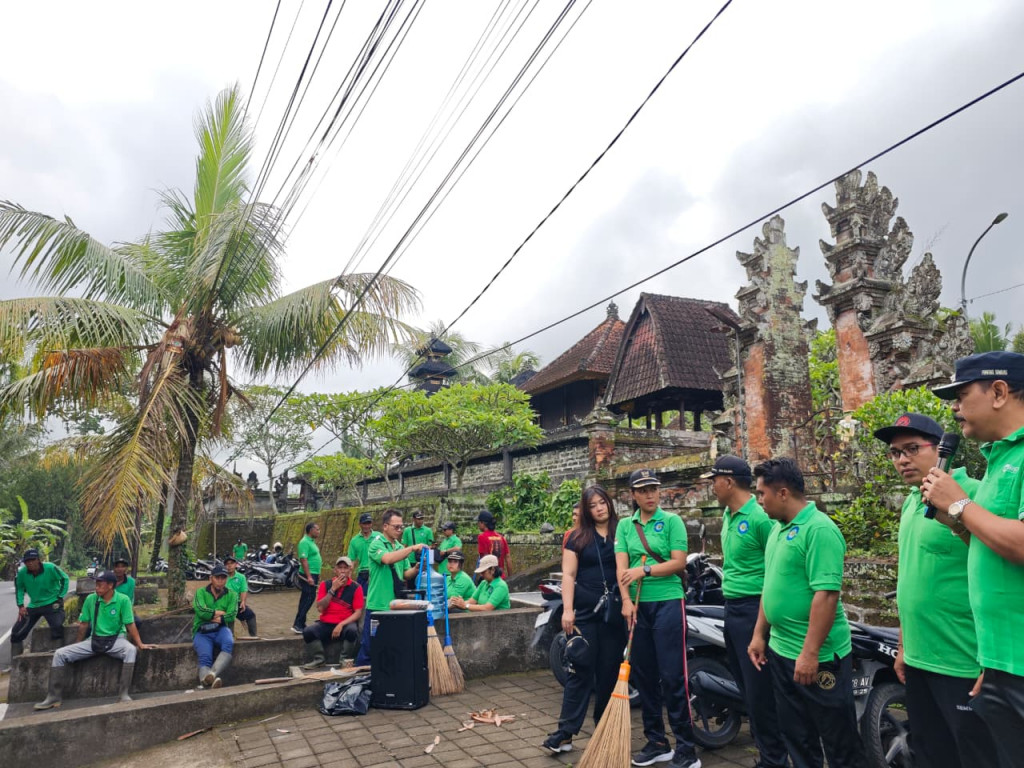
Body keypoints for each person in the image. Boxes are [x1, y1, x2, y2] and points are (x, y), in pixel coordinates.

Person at [873, 412, 999, 768]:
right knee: (929, 752)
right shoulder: (912, 502)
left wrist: (992, 663)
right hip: (918, 659)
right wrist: (903, 646)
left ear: (942, 449)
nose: (901, 460)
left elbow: (1000, 577)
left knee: (974, 755)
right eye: (895, 452)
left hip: (963, 659)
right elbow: (909, 580)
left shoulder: (974, 494)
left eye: (911, 449)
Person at [924, 351, 1024, 767]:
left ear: (998, 392)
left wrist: (961, 504)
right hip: (1002, 661)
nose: (954, 408)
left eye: (961, 395)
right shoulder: (999, 459)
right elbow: (999, 553)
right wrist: (961, 523)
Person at [748, 457, 864, 768]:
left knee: (839, 741)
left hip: (819, 657)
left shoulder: (819, 530)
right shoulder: (777, 529)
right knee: (797, 736)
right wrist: (759, 634)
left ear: (783, 493)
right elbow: (770, 586)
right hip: (781, 651)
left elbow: (826, 595)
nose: (759, 501)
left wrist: (810, 653)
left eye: (762, 494)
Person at [701, 456, 788, 768]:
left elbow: (776, 569)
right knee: (749, 692)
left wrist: (762, 628)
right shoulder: (728, 514)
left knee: (761, 693)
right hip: (733, 610)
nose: (711, 486)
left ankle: (775, 760)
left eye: (714, 480)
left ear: (728, 482)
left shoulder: (761, 518)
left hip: (755, 610)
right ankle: (767, 754)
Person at [615, 468, 699, 768]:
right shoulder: (625, 526)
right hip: (637, 606)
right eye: (643, 490)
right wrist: (626, 601)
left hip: (668, 602)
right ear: (633, 495)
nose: (650, 495)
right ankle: (657, 742)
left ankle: (686, 748)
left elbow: (678, 563)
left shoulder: (672, 521)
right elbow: (621, 568)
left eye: (653, 489)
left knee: (673, 676)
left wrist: (645, 570)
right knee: (645, 676)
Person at [543, 485, 626, 755]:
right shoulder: (577, 537)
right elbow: (568, 575)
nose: (599, 508)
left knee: (609, 673)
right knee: (579, 669)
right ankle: (565, 733)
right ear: (586, 510)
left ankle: (604, 729)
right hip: (586, 613)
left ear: (610, 503)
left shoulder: (622, 531)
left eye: (603, 503)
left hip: (614, 612)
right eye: (593, 505)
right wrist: (567, 610)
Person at [34, 570, 153, 709]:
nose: (96, 587)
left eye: (100, 584)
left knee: (131, 650)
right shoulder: (91, 599)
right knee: (59, 654)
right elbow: (84, 624)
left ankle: (123, 694)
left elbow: (130, 624)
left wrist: (140, 644)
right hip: (94, 640)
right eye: (96, 584)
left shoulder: (123, 600)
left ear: (110, 585)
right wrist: (78, 644)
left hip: (116, 640)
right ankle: (53, 697)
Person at [354, 509, 428, 666]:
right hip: (378, 605)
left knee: (390, 645)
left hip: (395, 605)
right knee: (369, 646)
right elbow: (387, 559)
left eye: (401, 527)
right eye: (396, 527)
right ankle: (360, 674)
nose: (400, 530)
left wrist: (417, 569)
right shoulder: (376, 544)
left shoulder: (399, 547)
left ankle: (385, 675)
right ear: (385, 526)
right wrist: (412, 548)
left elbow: (405, 574)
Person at [302, 556, 365, 669]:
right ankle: (319, 659)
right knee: (308, 631)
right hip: (326, 623)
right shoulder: (325, 585)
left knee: (352, 631)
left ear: (350, 570)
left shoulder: (356, 587)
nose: (342, 571)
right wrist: (332, 589)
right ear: (335, 570)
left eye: (345, 568)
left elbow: (358, 613)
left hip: (345, 624)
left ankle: (344, 659)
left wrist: (341, 624)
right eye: (340, 568)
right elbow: (320, 608)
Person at [11, 548, 69, 657]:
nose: (30, 563)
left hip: (52, 602)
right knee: (17, 631)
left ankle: (59, 655)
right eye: (27, 561)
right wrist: (21, 606)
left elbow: (65, 579)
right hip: (34, 605)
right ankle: (15, 660)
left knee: (57, 626)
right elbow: (19, 588)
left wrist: (60, 596)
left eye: (32, 560)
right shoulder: (22, 573)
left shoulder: (50, 567)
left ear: (38, 560)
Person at [193, 565, 237, 688]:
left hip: (221, 629)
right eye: (217, 578)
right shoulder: (200, 592)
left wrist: (214, 616)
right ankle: (207, 682)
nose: (220, 581)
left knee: (228, 642)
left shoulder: (232, 595)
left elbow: (232, 614)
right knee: (205, 657)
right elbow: (201, 611)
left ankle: (212, 674)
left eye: (223, 578)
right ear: (211, 578)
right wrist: (219, 613)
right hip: (202, 631)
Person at [292, 521, 322, 634]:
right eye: (317, 529)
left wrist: (317, 574)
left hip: (313, 573)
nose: (319, 531)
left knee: (306, 598)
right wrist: (309, 576)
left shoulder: (311, 542)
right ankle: (298, 624)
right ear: (311, 530)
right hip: (307, 575)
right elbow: (303, 560)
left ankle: (300, 623)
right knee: (309, 598)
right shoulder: (304, 542)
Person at [224, 555, 258, 637]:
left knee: (250, 615)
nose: (229, 565)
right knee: (229, 620)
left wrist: (243, 602)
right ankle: (229, 638)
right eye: (227, 564)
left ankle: (253, 637)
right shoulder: (222, 577)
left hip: (237, 603)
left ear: (236, 564)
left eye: (231, 563)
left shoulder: (241, 577)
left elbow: (244, 590)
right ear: (225, 566)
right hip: (224, 604)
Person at [476, 511, 510, 575]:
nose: (478, 524)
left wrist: (483, 575)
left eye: (478, 522)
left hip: (489, 576)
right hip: (501, 577)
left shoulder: (482, 537)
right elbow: (508, 558)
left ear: (483, 523)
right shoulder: (501, 537)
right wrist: (511, 577)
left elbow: (483, 557)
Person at [348, 512, 375, 593]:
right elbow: (351, 560)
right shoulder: (354, 541)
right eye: (364, 524)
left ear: (371, 524)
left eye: (369, 523)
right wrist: (348, 577)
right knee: (362, 597)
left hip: (376, 572)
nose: (367, 526)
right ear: (360, 524)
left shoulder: (378, 537)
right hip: (362, 573)